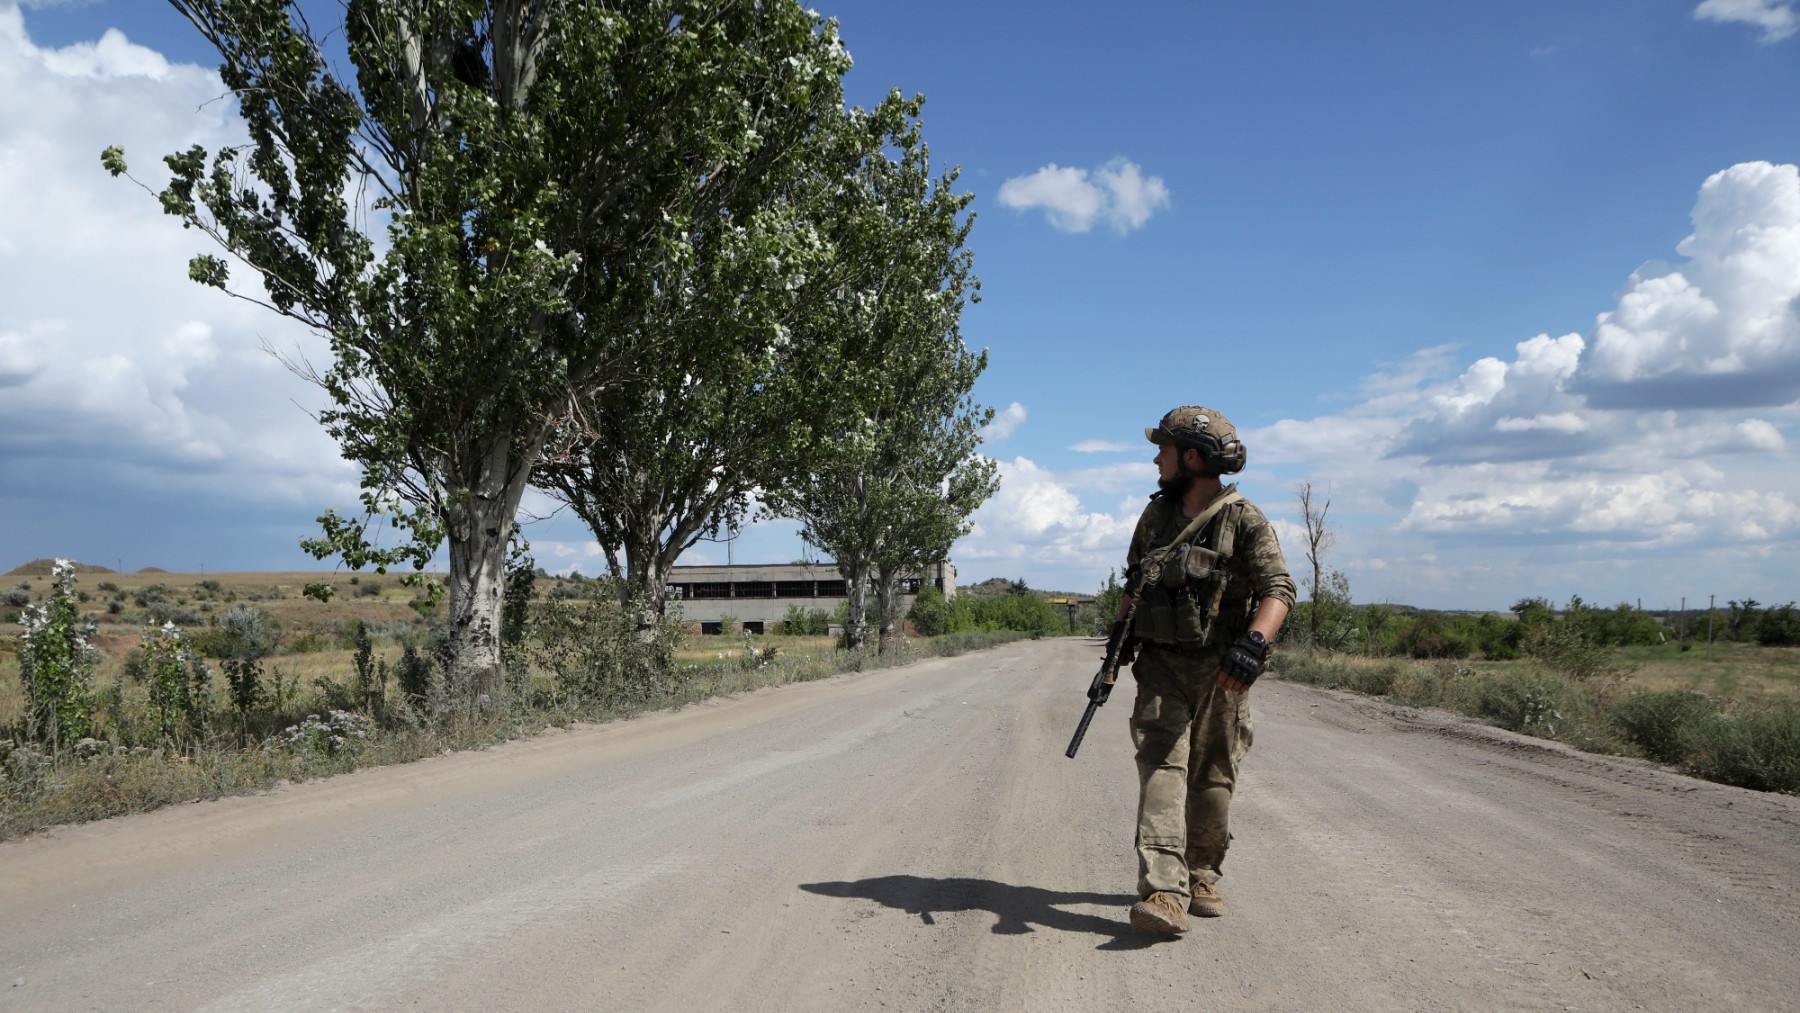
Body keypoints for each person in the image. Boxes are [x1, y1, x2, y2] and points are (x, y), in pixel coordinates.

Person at [1119, 405, 1295, 936]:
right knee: (1161, 768)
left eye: (1165, 451)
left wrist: (1253, 645)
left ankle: (1201, 874)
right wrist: (1121, 634)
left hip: (1223, 673)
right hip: (1161, 668)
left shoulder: (1243, 519)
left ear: (1192, 458)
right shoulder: (1154, 518)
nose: (1156, 459)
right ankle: (1164, 892)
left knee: (1213, 774)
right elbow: (1135, 582)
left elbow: (1278, 590)